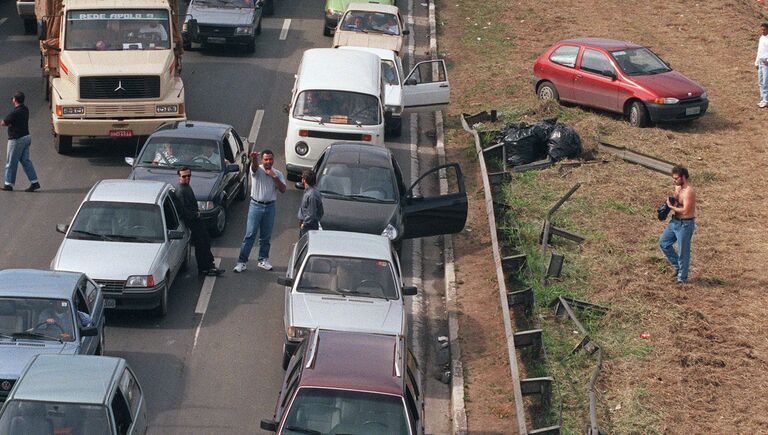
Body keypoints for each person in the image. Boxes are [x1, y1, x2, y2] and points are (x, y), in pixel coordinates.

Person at [233, 149, 286, 272]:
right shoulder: (258, 170)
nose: (268, 162)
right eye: (266, 159)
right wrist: (254, 159)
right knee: (250, 234)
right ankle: (242, 262)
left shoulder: (277, 173)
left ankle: (263, 260)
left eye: (270, 159)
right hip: (256, 206)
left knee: (266, 236)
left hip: (270, 206)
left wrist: (274, 177)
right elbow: (254, 168)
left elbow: (283, 189)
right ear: (263, 160)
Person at [175, 167, 225, 277]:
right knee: (202, 243)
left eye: (189, 176)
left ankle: (207, 266)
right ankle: (205, 268)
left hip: (196, 219)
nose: (187, 178)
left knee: (204, 241)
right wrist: (195, 215)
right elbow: (183, 210)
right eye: (184, 176)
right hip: (193, 221)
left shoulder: (186, 187)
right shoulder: (180, 191)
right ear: (179, 177)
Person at [658, 165, 696, 284]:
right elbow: (676, 201)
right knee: (663, 243)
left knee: (683, 252)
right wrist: (668, 204)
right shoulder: (678, 187)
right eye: (673, 178)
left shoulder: (689, 192)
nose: (674, 181)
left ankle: (682, 278)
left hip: (685, 224)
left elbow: (685, 210)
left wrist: (671, 207)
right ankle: (678, 266)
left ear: (683, 177)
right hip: (675, 222)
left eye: (676, 178)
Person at [2, 92, 39, 192]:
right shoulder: (25, 109)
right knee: (26, 161)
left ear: (15, 100)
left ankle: (8, 184)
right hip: (26, 137)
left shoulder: (15, 112)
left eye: (13, 98)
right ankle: (34, 182)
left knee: (10, 162)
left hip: (16, 140)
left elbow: (4, 122)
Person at [297, 169, 323, 238]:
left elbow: (311, 213)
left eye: (302, 178)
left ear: (304, 180)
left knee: (306, 243)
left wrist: (304, 224)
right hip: (308, 224)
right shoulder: (310, 191)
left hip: (309, 226)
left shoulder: (312, 195)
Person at [757, 23, 768, 108]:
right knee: (760, 81)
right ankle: (763, 98)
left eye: (764, 29)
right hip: (760, 61)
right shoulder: (761, 38)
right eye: (762, 29)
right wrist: (756, 62)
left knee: (765, 82)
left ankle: (766, 100)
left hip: (766, 62)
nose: (762, 31)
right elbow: (759, 50)